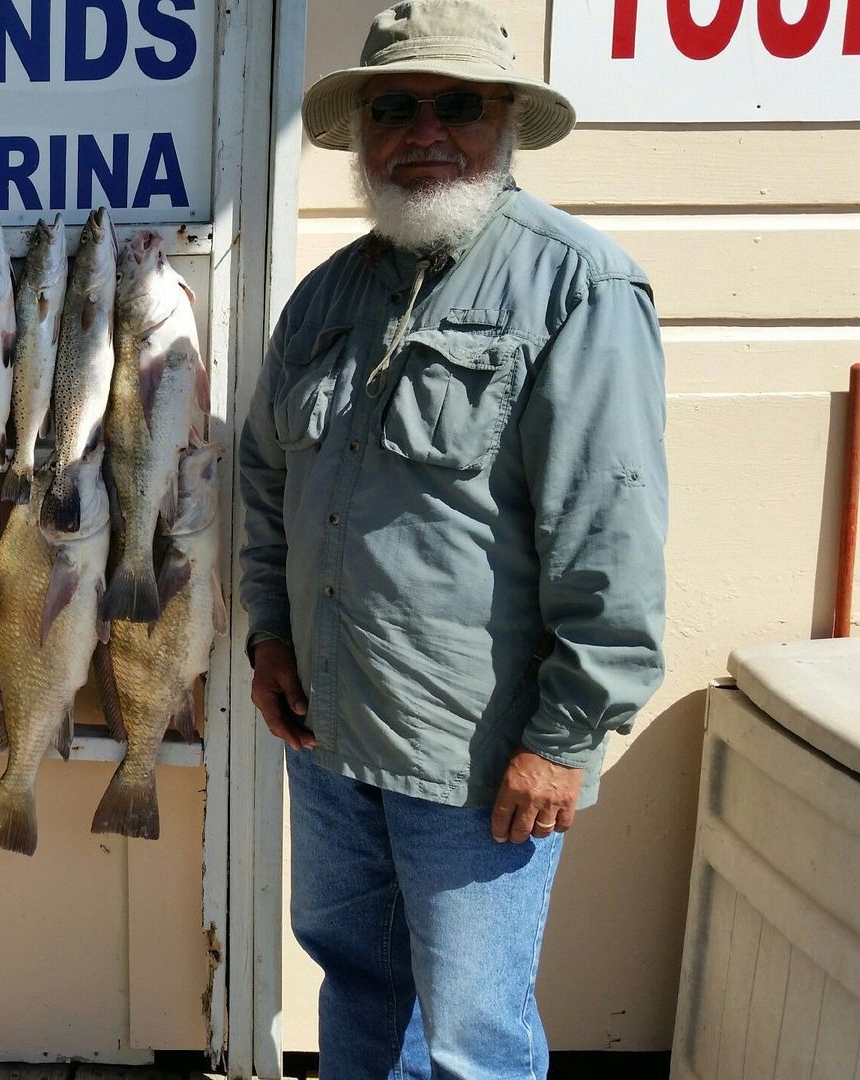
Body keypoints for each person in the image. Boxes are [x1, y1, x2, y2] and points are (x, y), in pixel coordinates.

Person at [238, 1, 668, 1076]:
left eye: (457, 106)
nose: (424, 130)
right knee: (360, 989)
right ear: (364, 130)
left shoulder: (579, 285)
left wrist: (565, 737)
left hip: (479, 757)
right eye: (395, 106)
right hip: (330, 736)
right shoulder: (326, 297)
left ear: (506, 120)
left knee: (474, 1034)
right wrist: (268, 637)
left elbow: (611, 527)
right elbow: (264, 476)